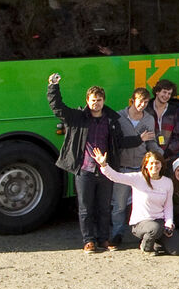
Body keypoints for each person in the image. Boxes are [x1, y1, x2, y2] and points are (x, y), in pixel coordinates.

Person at [47, 72, 127, 253]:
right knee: (85, 208)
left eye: (99, 100)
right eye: (92, 100)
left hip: (105, 170)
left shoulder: (112, 120)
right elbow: (57, 107)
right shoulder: (77, 117)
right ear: (87, 101)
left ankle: (104, 239)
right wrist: (53, 86)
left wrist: (140, 140)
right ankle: (89, 241)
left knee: (104, 208)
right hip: (84, 170)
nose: (96, 103)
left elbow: (119, 143)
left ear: (103, 100)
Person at [92, 148, 179, 255]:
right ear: (146, 165)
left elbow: (168, 206)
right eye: (151, 163)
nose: (154, 166)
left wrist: (169, 224)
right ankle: (146, 247)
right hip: (141, 223)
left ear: (161, 165)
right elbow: (116, 177)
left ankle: (155, 242)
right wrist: (104, 165)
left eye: (157, 163)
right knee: (154, 228)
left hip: (160, 221)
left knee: (175, 250)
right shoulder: (138, 178)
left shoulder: (167, 182)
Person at [107, 88, 161, 248]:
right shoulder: (119, 117)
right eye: (140, 101)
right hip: (122, 168)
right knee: (119, 205)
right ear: (132, 100)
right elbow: (116, 142)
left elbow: (150, 142)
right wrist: (139, 138)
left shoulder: (149, 119)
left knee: (143, 204)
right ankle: (117, 234)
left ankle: (143, 234)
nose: (142, 105)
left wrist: (159, 153)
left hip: (140, 168)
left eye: (145, 102)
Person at [146, 78, 179, 164]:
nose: (166, 96)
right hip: (150, 157)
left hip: (170, 157)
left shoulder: (174, 111)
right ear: (157, 92)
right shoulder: (147, 109)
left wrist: (166, 154)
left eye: (169, 93)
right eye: (164, 92)